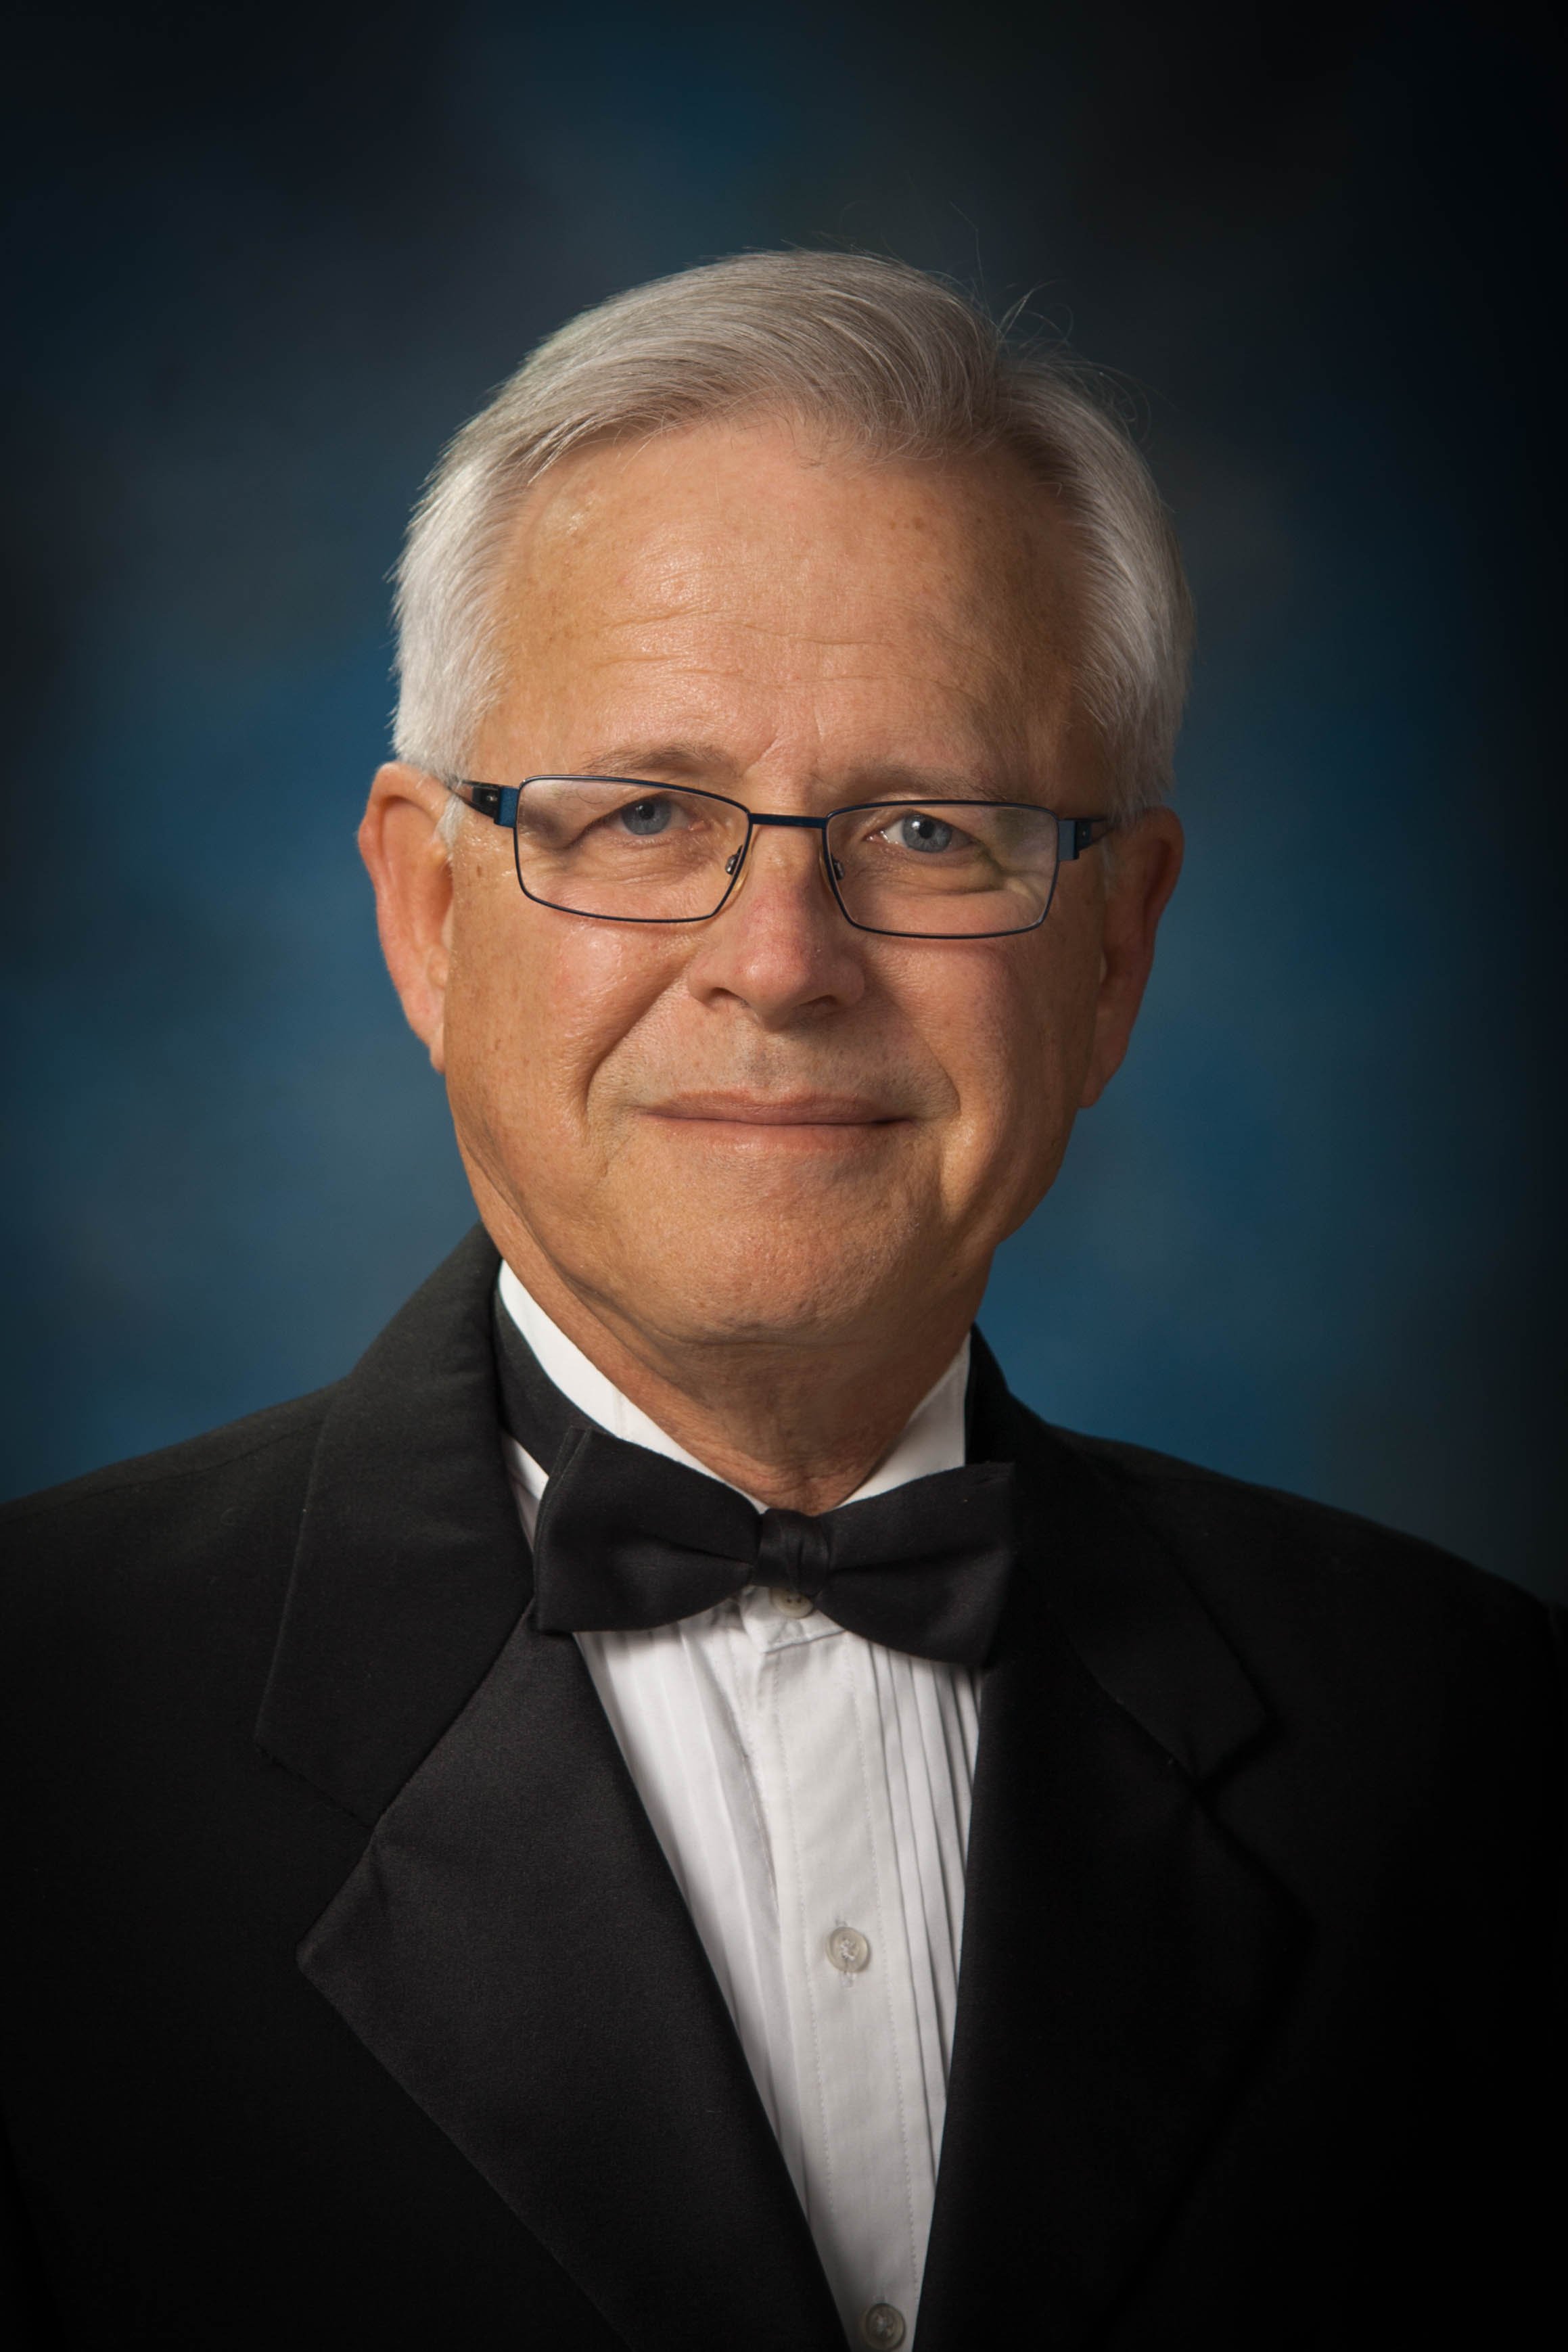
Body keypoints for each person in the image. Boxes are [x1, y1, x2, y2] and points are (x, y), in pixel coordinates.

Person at [1, 252, 1559, 2352]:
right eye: (647, 813)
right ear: (428, 914)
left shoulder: (1485, 1753)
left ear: (1115, 956)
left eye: (929, 827)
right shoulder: (40, 1737)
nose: (783, 959)